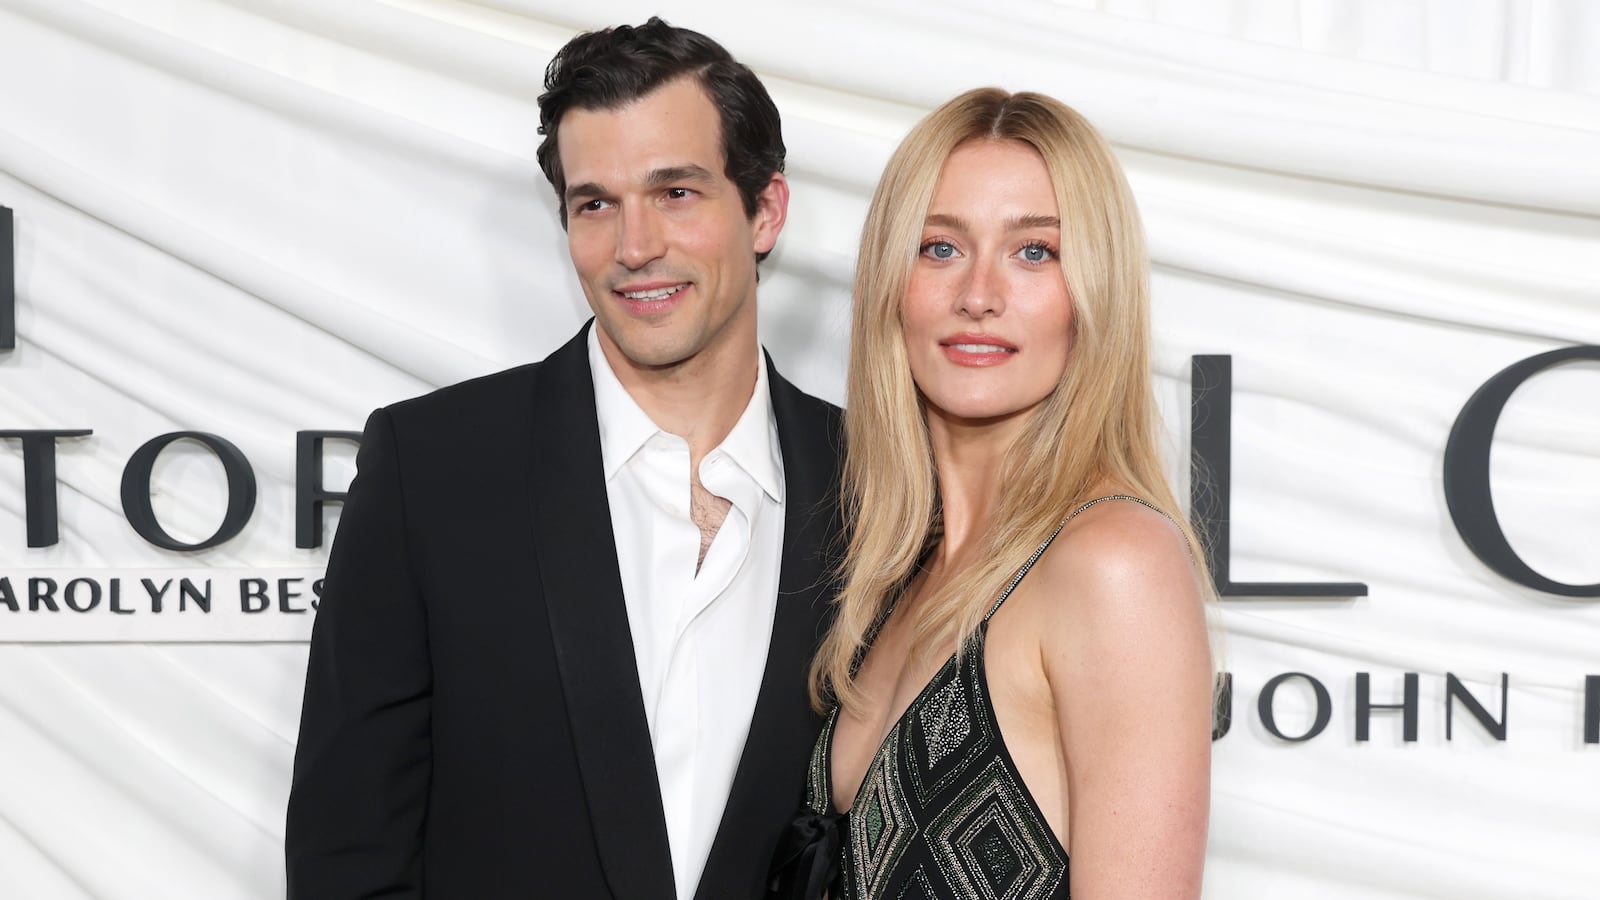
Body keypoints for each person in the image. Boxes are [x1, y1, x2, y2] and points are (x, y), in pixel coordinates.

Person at [286, 18, 842, 900]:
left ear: (764, 210)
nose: (634, 247)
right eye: (596, 204)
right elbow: (347, 857)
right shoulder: (430, 472)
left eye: (677, 194)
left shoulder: (877, 484)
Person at [769, 89, 1215, 899]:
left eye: (1033, 252)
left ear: (1095, 295)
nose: (979, 293)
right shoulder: (900, 569)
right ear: (890, 284)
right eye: (939, 248)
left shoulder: (1112, 563)